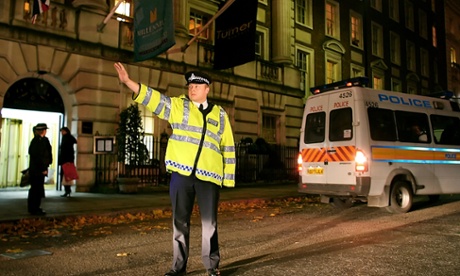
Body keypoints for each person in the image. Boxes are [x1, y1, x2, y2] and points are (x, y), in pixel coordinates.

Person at [114, 62, 236, 276]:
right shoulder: (179, 106)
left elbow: (228, 146)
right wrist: (128, 82)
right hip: (182, 175)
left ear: (207, 89)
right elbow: (154, 98)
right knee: (180, 222)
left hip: (209, 177)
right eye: (190, 85)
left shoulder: (220, 114)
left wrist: (228, 179)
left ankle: (212, 266)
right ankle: (178, 267)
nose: (192, 88)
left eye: (197, 85)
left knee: (210, 224)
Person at [28, 123, 52, 216]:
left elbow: (47, 154)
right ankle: (34, 208)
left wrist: (47, 164)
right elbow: (37, 156)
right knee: (36, 189)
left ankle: (35, 207)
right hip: (37, 170)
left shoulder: (43, 140)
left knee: (38, 189)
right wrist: (43, 168)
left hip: (40, 169)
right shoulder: (37, 141)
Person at [59, 127, 77, 197]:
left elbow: (69, 151)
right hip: (65, 160)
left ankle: (67, 190)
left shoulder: (68, 138)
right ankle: (67, 190)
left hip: (67, 160)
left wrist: (69, 160)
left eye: (63, 131)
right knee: (65, 175)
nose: (62, 132)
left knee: (67, 175)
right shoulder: (65, 138)